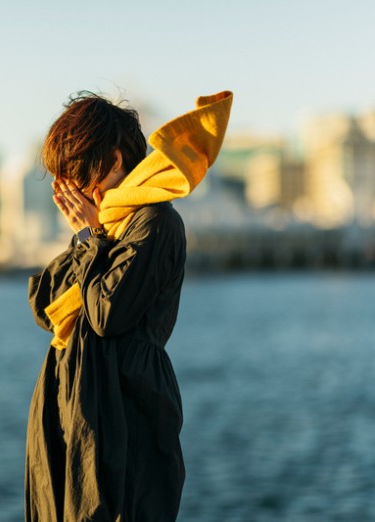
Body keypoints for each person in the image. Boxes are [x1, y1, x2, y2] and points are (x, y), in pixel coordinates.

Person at [25, 90, 233, 521]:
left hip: (126, 412)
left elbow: (106, 314)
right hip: (73, 408)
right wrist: (90, 238)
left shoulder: (154, 222)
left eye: (79, 178)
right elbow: (44, 304)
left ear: (114, 161)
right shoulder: (107, 225)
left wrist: (90, 238)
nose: (74, 193)